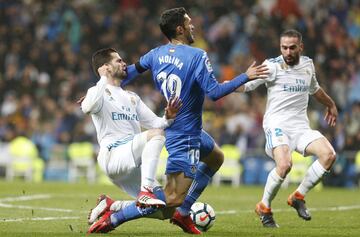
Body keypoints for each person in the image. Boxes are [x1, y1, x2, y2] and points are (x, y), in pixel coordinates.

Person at [88, 7, 268, 234]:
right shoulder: (197, 55)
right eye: (189, 23)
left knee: (216, 157)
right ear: (180, 29)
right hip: (185, 135)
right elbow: (213, 93)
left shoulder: (155, 54)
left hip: (185, 128)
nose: (194, 26)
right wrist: (245, 76)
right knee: (170, 201)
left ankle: (184, 214)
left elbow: (128, 73)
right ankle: (114, 217)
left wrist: (105, 89)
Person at [237, 29, 337, 227]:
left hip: (300, 127)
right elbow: (246, 86)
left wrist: (331, 104)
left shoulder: (308, 64)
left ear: (301, 47)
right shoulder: (271, 66)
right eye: (284, 48)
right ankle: (264, 207)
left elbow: (315, 89)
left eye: (292, 48)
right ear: (280, 48)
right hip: (277, 124)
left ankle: (298, 196)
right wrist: (221, 86)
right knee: (284, 165)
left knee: (329, 155)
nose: (288, 52)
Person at [81, 48, 182, 233]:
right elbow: (86, 107)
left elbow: (157, 122)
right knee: (156, 134)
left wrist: (169, 117)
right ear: (105, 67)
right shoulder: (98, 91)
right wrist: (102, 78)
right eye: (118, 61)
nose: (124, 63)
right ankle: (145, 192)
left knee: (165, 209)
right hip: (113, 154)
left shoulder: (132, 97)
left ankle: (113, 206)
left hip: (132, 160)